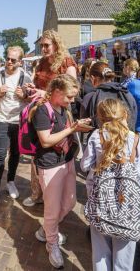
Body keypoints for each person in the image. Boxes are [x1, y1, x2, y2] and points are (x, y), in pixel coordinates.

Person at [81, 99, 140, 271]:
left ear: (100, 118)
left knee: (100, 250)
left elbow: (84, 166)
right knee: (125, 253)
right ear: (125, 115)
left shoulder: (97, 136)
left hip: (100, 200)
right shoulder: (138, 140)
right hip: (128, 205)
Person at [30, 74, 92, 268]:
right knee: (52, 208)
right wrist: (72, 129)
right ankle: (52, 243)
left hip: (66, 160)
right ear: (56, 92)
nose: (72, 101)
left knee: (70, 201)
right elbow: (46, 140)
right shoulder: (42, 109)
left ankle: (46, 230)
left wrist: (77, 126)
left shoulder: (63, 108)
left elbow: (64, 131)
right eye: (69, 97)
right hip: (49, 164)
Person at [23, 29, 77, 207]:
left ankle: (55, 195)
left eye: (47, 45)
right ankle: (37, 193)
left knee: (57, 150)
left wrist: (44, 92)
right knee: (36, 153)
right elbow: (36, 84)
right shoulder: (40, 63)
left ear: (56, 44)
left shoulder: (67, 62)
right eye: (42, 46)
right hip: (40, 112)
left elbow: (72, 91)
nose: (44, 48)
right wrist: (31, 88)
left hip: (60, 113)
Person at [0, 46, 32, 207]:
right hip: (2, 120)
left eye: (13, 60)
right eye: (8, 58)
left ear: (20, 62)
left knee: (15, 153)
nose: (9, 62)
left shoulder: (26, 77)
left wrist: (24, 96)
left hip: (19, 121)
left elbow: (31, 100)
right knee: (0, 154)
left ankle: (10, 181)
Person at [81, 62, 138, 131]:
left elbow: (84, 126)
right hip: (125, 137)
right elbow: (133, 117)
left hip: (101, 139)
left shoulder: (89, 97)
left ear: (93, 78)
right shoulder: (126, 93)